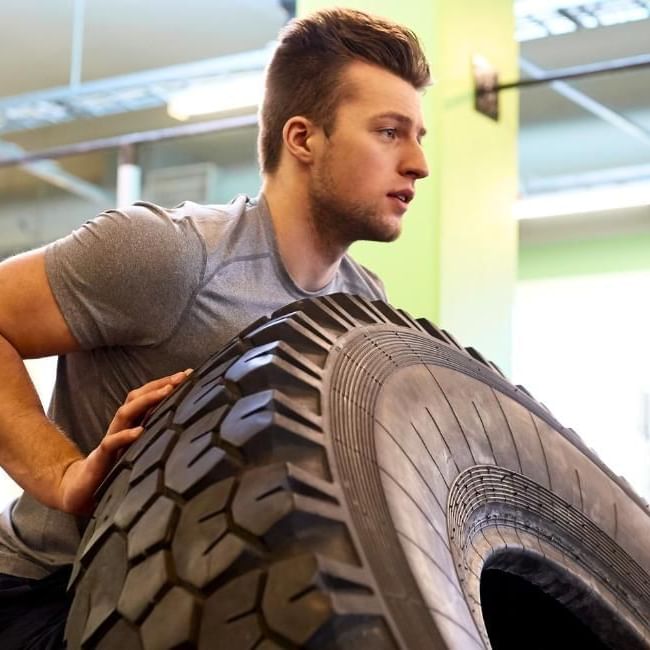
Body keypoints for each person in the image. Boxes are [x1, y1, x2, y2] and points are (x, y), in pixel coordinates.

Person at [0, 6, 430, 647]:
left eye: (420, 136)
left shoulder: (363, 308)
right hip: (56, 596)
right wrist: (61, 476)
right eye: (390, 132)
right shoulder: (171, 256)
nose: (418, 162)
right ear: (303, 139)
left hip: (207, 601)